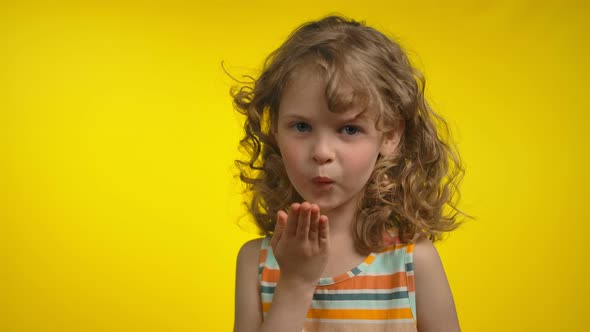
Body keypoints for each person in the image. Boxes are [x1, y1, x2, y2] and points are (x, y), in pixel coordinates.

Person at [231, 15, 465, 332]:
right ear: (274, 128)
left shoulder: (413, 263)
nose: (322, 152)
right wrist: (296, 283)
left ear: (389, 135)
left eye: (349, 129)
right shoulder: (255, 263)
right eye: (301, 126)